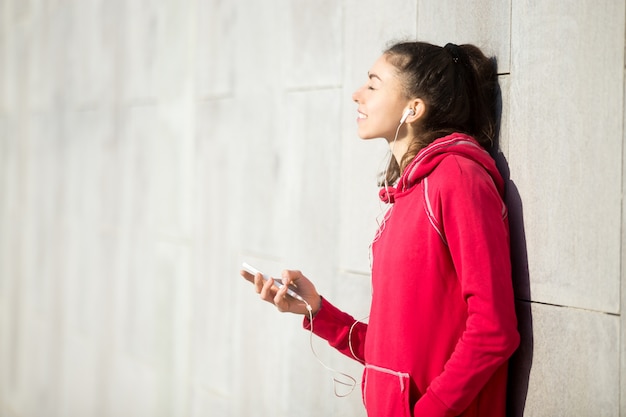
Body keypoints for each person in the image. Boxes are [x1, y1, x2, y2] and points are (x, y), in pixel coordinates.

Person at [241, 41, 520, 417]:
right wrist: (316, 311)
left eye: (373, 85)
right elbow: (393, 355)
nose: (357, 94)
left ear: (414, 108)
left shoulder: (457, 178)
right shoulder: (406, 197)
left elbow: (493, 330)